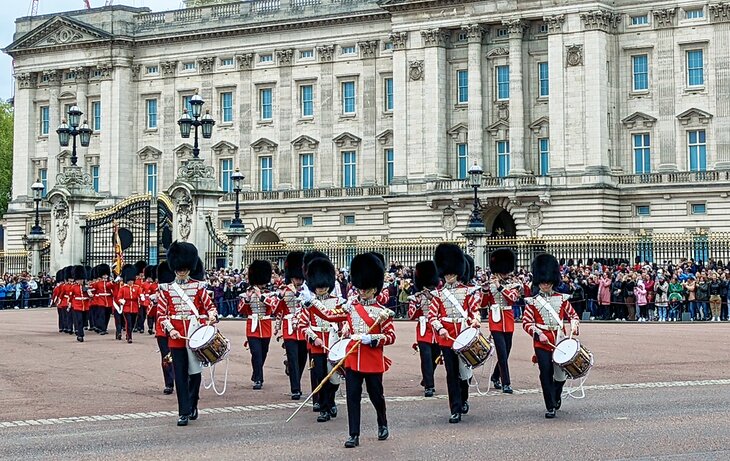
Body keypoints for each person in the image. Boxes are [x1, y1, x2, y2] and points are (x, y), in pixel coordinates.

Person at [305, 253, 396, 448]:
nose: (362, 292)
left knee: (376, 396)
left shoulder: (382, 312)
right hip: (353, 359)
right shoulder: (350, 307)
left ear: (374, 289)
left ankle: (382, 422)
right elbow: (330, 315)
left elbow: (390, 337)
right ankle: (353, 434)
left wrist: (372, 338)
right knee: (352, 397)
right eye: (360, 288)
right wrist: (313, 302)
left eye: (366, 289)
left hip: (372, 360)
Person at [157, 241, 218, 426]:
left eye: (184, 269)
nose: (181, 272)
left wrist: (212, 317)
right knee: (180, 374)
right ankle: (183, 411)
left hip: (194, 334)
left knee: (195, 374)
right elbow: (161, 314)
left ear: (189, 269)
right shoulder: (165, 289)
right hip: (176, 337)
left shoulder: (199, 287)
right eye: (179, 269)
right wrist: (171, 329)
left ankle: (193, 402)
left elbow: (210, 308)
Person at [428, 243, 481, 424]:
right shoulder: (438, 294)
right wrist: (440, 328)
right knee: (451, 374)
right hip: (447, 339)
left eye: (451, 273)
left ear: (458, 272)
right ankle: (455, 408)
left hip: (464, 336)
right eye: (447, 273)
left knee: (464, 372)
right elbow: (432, 316)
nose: (449, 276)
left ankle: (464, 397)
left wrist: (475, 321)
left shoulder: (468, 292)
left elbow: (475, 312)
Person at [522, 253, 580, 419]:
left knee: (560, 375)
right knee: (545, 372)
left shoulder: (562, 299)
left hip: (559, 339)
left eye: (548, 282)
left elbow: (573, 316)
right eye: (543, 282)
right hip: (541, 342)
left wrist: (573, 327)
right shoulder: (532, 302)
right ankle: (550, 406)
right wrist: (538, 333)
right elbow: (526, 323)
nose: (545, 285)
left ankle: (557, 394)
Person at [297, 257, 344, 423]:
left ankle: (330, 400)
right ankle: (324, 408)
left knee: (335, 378)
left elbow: (344, 321)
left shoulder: (338, 302)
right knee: (320, 377)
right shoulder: (309, 304)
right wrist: (314, 337)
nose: (321, 288)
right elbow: (302, 324)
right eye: (318, 286)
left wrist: (343, 330)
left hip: (333, 343)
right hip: (317, 344)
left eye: (324, 285)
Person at [482, 248, 520, 394]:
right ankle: (506, 383)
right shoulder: (490, 285)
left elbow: (513, 298)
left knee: (507, 351)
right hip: (495, 321)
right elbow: (483, 304)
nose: (505, 274)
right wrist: (485, 290)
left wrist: (500, 287)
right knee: (502, 353)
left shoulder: (513, 285)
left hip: (508, 320)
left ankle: (495, 376)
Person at [238, 260, 278, 390]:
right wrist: (248, 299)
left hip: (265, 326)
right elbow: (241, 310)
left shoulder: (270, 293)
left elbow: (273, 306)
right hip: (252, 327)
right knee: (256, 353)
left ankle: (256, 374)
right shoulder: (247, 293)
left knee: (263, 352)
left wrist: (261, 296)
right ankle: (259, 379)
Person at [274, 251, 308, 400]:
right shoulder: (284, 290)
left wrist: (298, 293)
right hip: (289, 329)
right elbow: (277, 310)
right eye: (295, 278)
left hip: (304, 328)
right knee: (293, 357)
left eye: (300, 278)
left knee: (302, 359)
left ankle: (296, 379)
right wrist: (280, 298)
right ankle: (295, 388)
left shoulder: (308, 291)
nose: (298, 281)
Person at [407, 260, 440, 397]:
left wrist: (431, 298)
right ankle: (429, 386)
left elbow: (442, 310)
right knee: (426, 357)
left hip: (437, 328)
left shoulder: (440, 294)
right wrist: (418, 303)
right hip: (423, 329)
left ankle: (427, 377)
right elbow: (411, 315)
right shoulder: (417, 296)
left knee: (436, 357)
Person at [155, 261, 175, 395]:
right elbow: (154, 315)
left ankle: (180, 380)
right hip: (163, 331)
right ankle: (169, 383)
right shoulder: (158, 294)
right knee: (166, 357)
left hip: (178, 329)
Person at [117, 266, 143, 343]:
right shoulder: (123, 288)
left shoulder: (137, 287)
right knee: (128, 322)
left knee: (133, 322)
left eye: (132, 280)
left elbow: (140, 294)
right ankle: (129, 337)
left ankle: (128, 334)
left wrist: (141, 296)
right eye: (129, 281)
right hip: (126, 307)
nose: (130, 282)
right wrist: (121, 301)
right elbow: (119, 297)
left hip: (134, 307)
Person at [69, 265, 92, 343]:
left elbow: (90, 296)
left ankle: (80, 331)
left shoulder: (86, 287)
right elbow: (71, 296)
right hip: (77, 305)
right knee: (79, 320)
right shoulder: (73, 287)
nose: (80, 281)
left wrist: (89, 294)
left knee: (84, 320)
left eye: (81, 279)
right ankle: (80, 335)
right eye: (79, 279)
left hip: (85, 306)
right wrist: (69, 304)